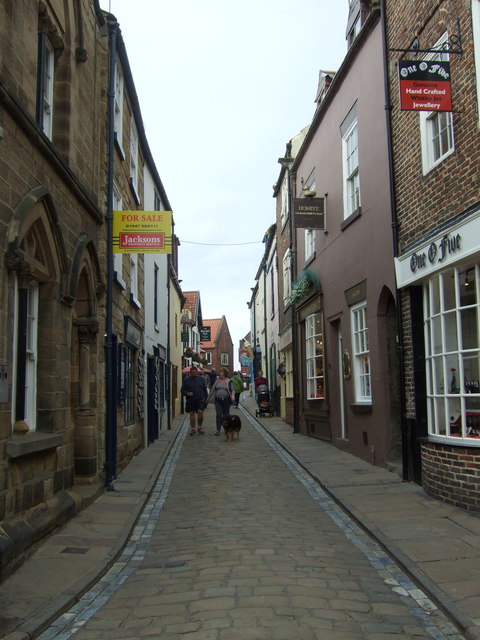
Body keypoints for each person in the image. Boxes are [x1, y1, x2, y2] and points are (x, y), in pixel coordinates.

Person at [206, 367, 235, 436]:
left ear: (225, 374)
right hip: (218, 400)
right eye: (220, 373)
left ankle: (226, 429)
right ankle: (218, 429)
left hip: (226, 400)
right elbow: (212, 390)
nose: (220, 375)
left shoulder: (229, 381)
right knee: (218, 414)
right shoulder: (217, 380)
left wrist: (233, 396)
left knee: (226, 416)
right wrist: (207, 399)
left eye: (221, 373)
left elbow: (233, 390)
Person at [181, 366, 208, 435]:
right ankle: (193, 429)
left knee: (200, 412)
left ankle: (200, 427)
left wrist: (206, 399)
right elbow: (182, 391)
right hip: (191, 400)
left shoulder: (201, 379)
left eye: (195, 373)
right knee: (192, 414)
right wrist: (187, 393)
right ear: (190, 373)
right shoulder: (186, 380)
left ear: (197, 372)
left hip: (200, 399)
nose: (194, 374)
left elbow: (205, 389)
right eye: (192, 373)